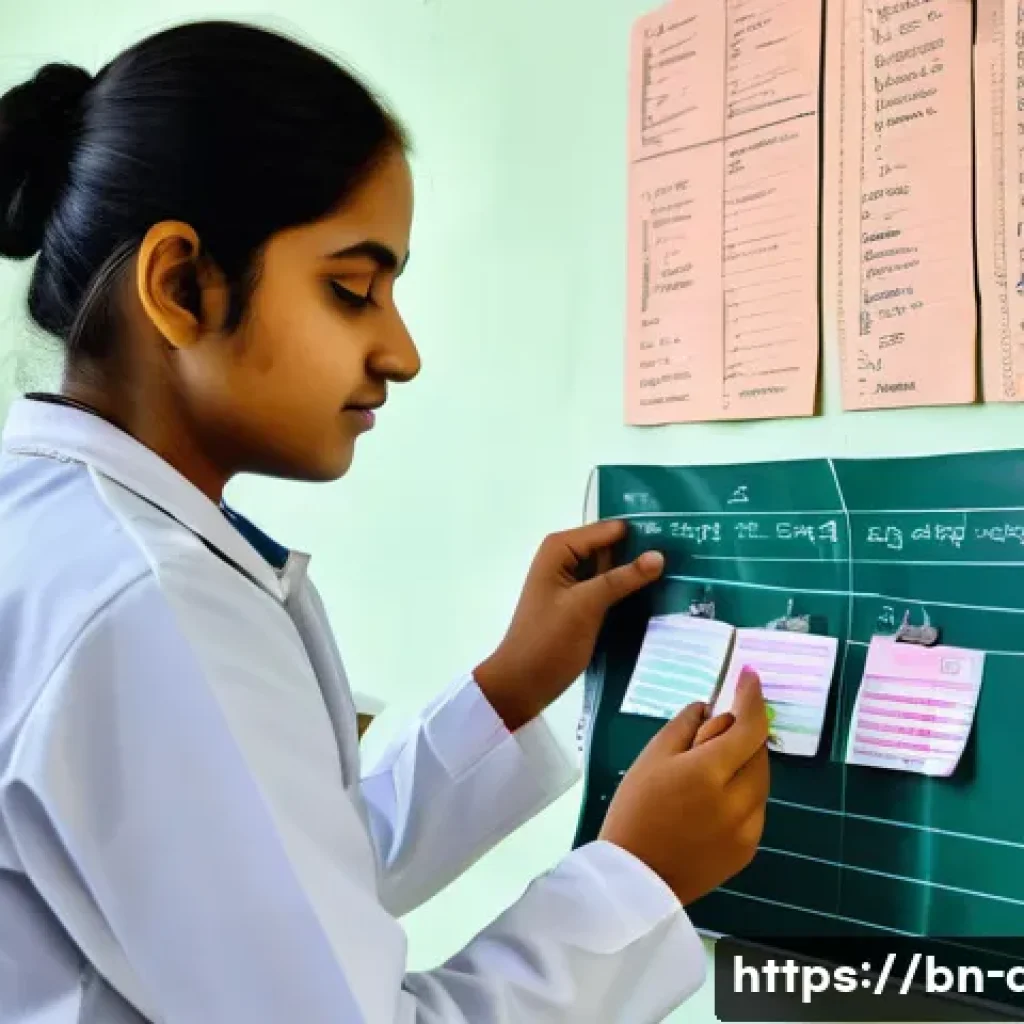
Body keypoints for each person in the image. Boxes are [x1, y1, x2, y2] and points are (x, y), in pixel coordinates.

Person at [0, 21, 770, 1023]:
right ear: (181, 284)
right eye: (351, 289)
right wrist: (635, 878)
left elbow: (273, 884)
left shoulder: (59, 532)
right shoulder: (148, 599)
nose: (399, 350)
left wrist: (505, 690)